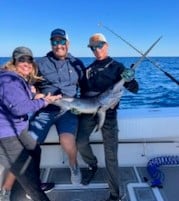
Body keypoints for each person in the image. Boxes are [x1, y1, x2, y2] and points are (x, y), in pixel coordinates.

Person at [77, 33, 139, 201]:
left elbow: (134, 89)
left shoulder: (118, 67)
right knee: (80, 142)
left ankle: (115, 194)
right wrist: (77, 106)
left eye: (100, 45)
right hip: (89, 112)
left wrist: (130, 79)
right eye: (93, 47)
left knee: (111, 155)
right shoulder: (88, 70)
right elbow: (82, 93)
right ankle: (92, 165)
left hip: (109, 114)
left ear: (107, 45)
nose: (97, 50)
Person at [0, 46, 60, 201]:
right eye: (22, 59)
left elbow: (18, 97)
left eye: (29, 60)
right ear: (14, 61)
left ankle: (34, 182)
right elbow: (19, 108)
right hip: (5, 135)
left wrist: (34, 94)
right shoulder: (9, 80)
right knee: (30, 182)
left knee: (34, 149)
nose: (26, 63)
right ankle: (28, 189)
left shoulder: (15, 77)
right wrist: (44, 101)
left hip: (18, 129)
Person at [29, 28, 85, 184]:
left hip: (69, 110)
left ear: (68, 43)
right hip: (45, 109)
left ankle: (74, 166)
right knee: (31, 142)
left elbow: (86, 88)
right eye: (55, 42)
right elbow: (28, 86)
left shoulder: (77, 64)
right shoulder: (40, 63)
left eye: (61, 41)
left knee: (67, 140)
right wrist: (35, 94)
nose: (58, 45)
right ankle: (33, 177)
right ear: (51, 44)